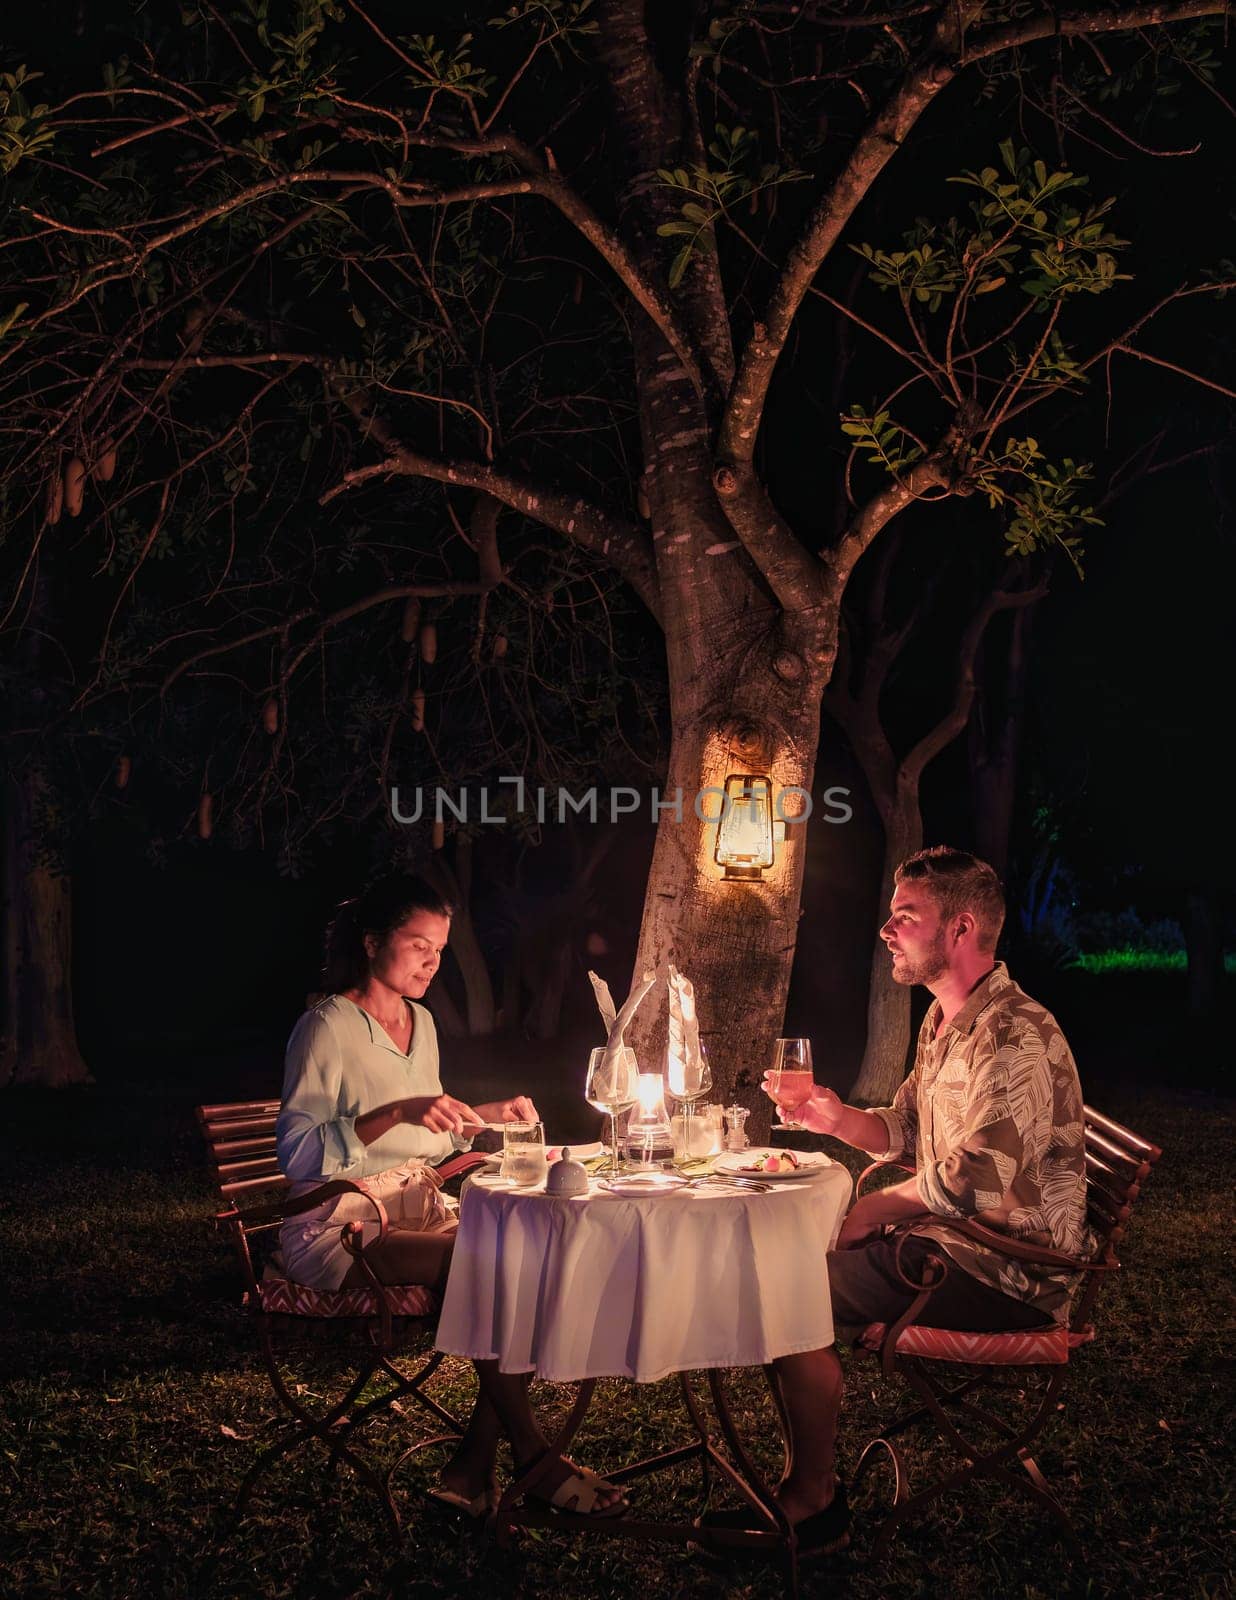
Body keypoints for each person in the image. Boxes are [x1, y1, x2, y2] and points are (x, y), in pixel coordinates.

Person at [743, 847, 1089, 1557]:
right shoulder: (946, 1023)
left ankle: (812, 1504)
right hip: (952, 1242)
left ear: (960, 930)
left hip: (1008, 1271)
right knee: (786, 1265)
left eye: (906, 916)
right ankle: (808, 1485)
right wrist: (832, 1117)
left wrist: (871, 1212)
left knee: (786, 1282)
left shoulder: (1014, 1032)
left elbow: (978, 1178)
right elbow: (905, 1131)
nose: (886, 929)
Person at [276, 873, 625, 1519]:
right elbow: (297, 1156)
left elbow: (426, 1144)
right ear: (373, 942)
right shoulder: (325, 1027)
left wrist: (482, 1117)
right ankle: (534, 1458)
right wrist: (399, 1109)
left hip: (414, 1206)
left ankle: (470, 1470)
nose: (432, 962)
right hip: (334, 1225)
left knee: (524, 1249)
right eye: (418, 945)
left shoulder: (423, 1021)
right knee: (488, 1260)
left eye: (439, 948)